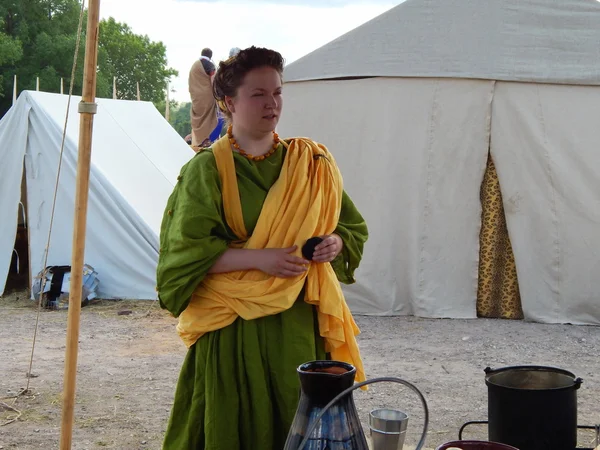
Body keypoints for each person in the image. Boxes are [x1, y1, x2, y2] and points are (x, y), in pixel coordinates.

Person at [157, 46, 369, 450]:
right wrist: (262, 259)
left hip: (298, 322)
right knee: (235, 421)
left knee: (295, 415)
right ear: (229, 102)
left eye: (277, 92)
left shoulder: (312, 163)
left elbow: (351, 226)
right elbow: (183, 256)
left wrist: (334, 243)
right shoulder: (207, 169)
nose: (272, 104)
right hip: (235, 325)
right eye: (259, 94)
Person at [189, 49, 218, 147]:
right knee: (208, 119)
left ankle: (197, 140)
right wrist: (217, 93)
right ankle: (205, 140)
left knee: (199, 119)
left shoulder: (194, 66)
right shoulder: (209, 65)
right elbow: (213, 79)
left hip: (196, 98)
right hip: (207, 97)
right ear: (210, 56)